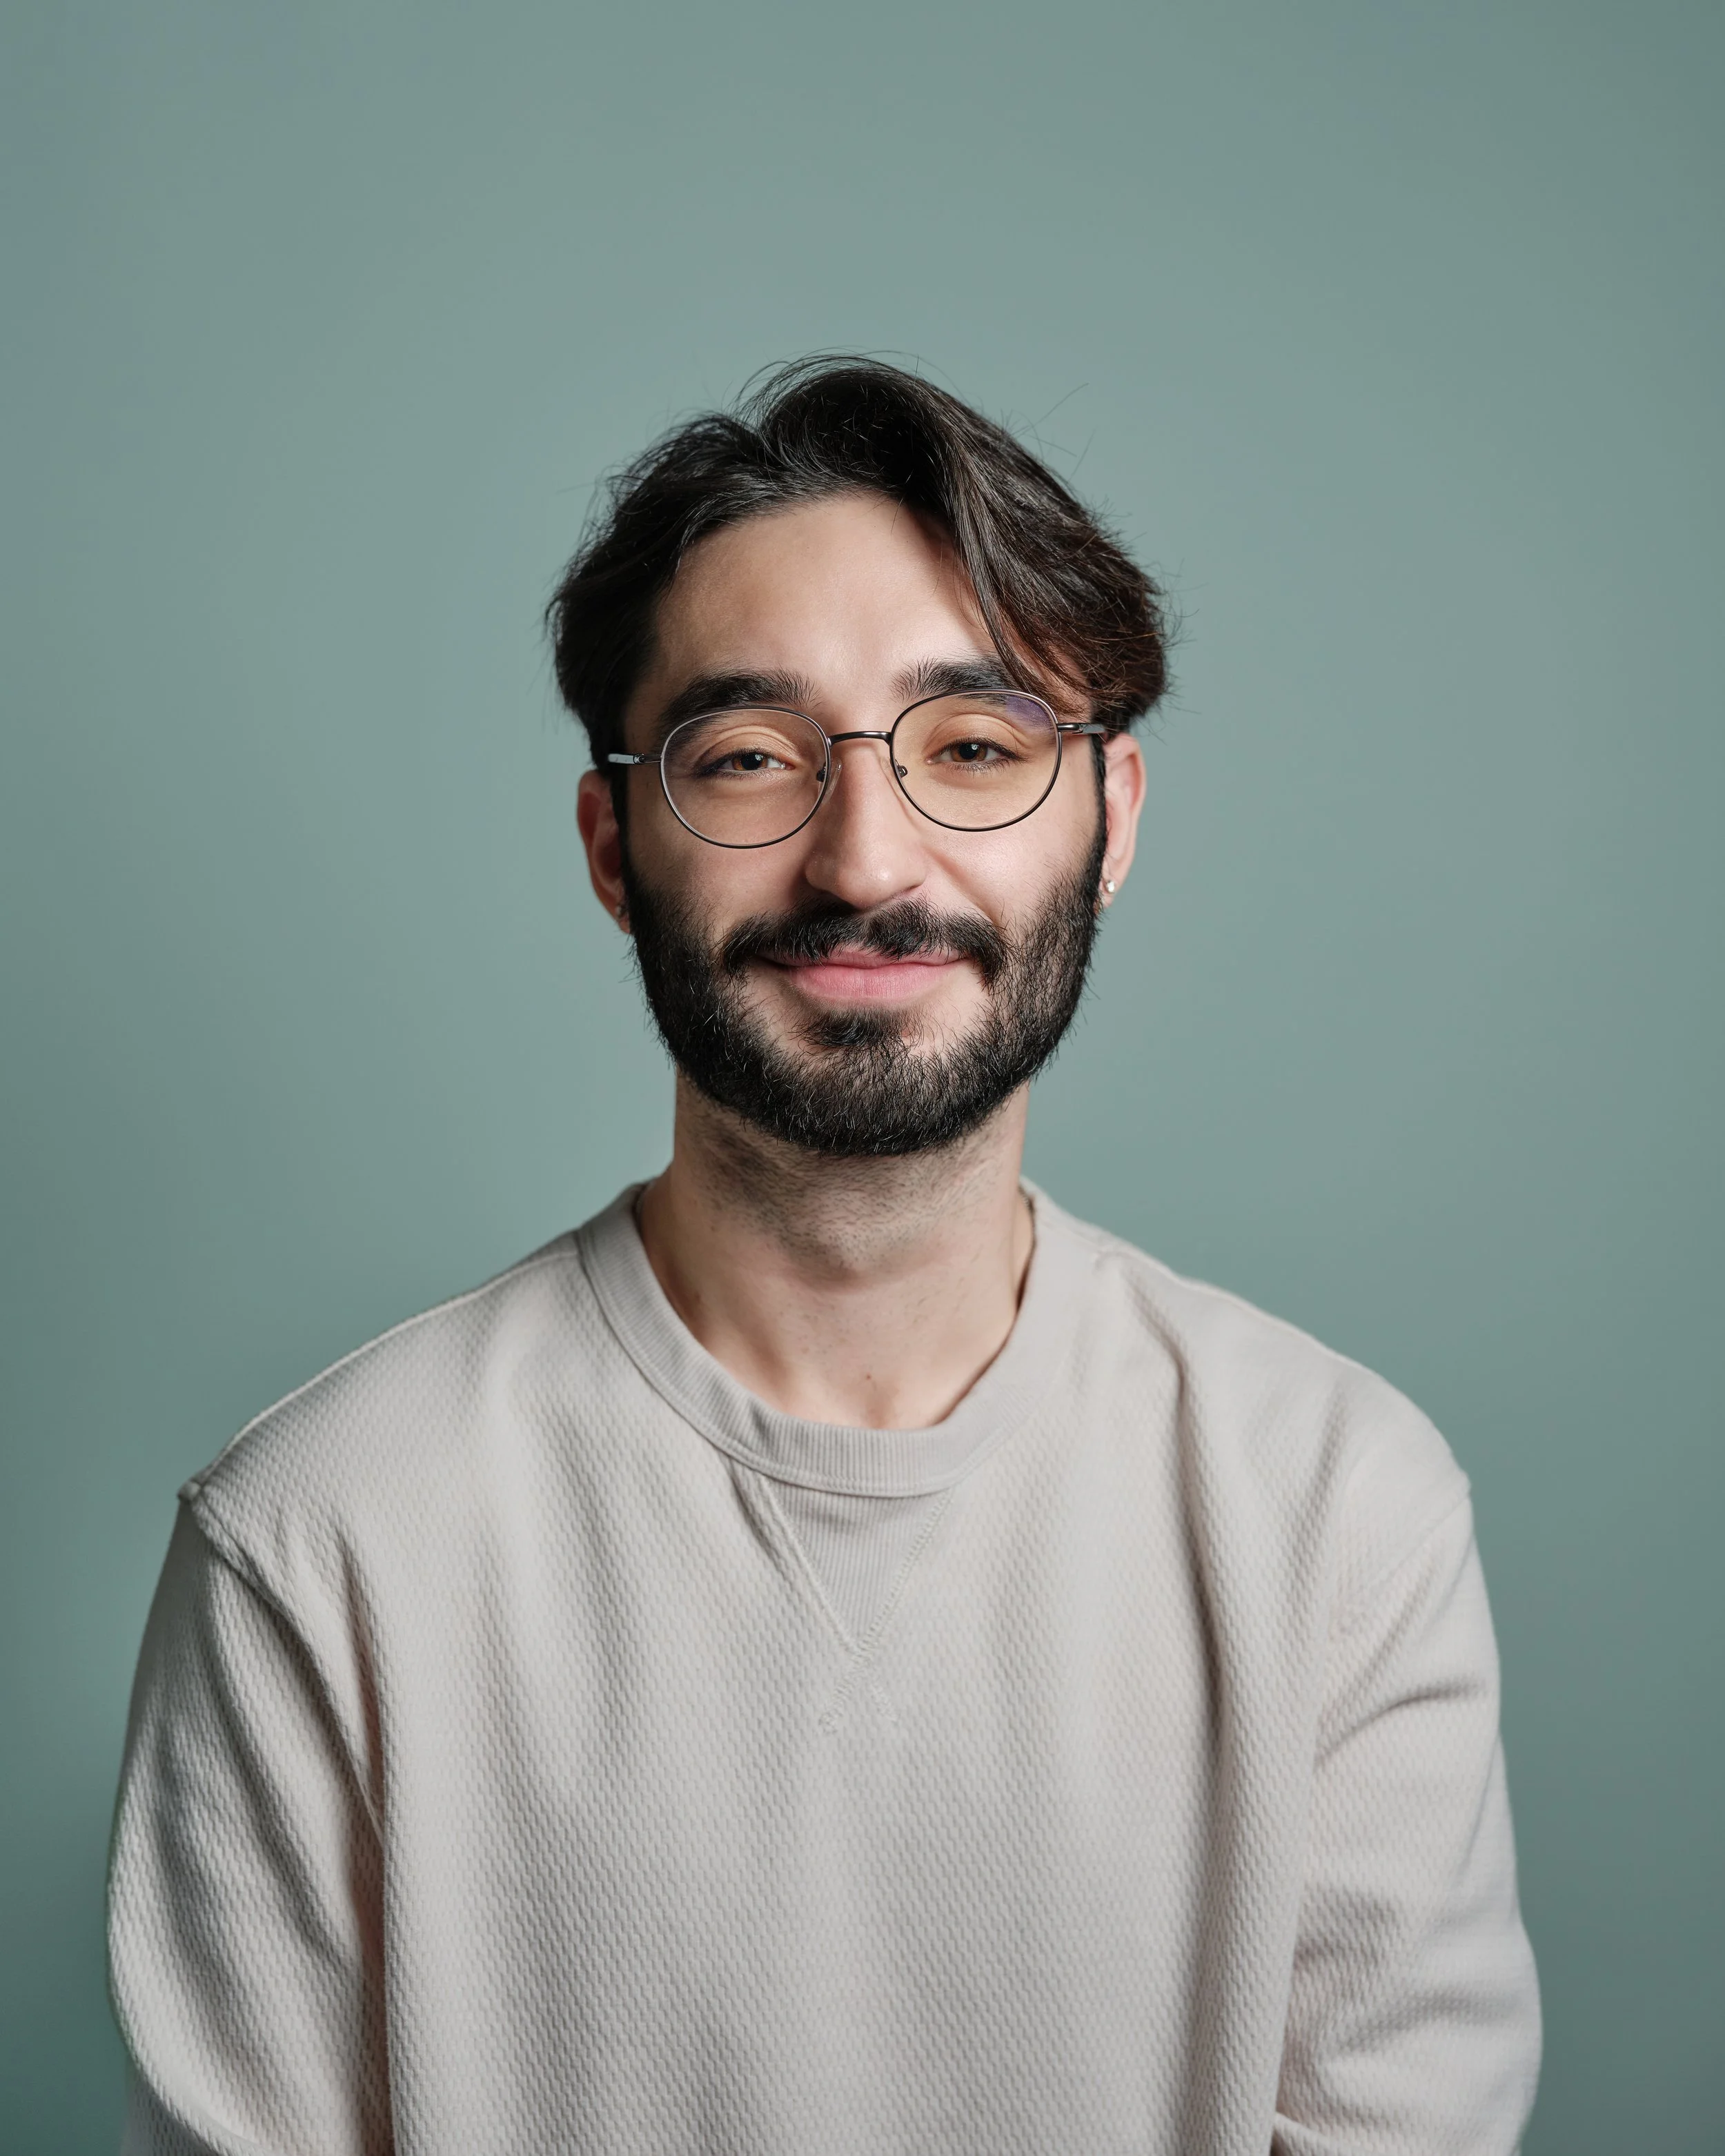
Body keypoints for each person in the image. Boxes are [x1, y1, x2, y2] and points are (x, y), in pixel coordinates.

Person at [108, 358, 1540, 2155]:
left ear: (1111, 821)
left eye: (975, 749)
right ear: (614, 850)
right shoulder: (318, 1543)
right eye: (746, 761)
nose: (864, 859)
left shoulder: (1339, 1512)